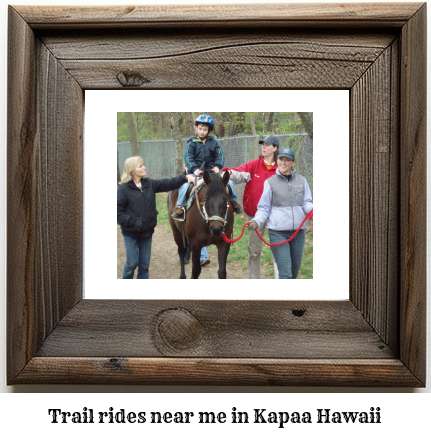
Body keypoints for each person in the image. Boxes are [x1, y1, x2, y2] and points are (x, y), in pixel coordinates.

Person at [117, 155, 194, 279]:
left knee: (144, 265)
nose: (144, 167)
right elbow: (118, 213)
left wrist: (185, 177)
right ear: (132, 171)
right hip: (130, 233)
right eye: (140, 166)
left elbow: (169, 183)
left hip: (146, 233)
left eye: (143, 165)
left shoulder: (149, 184)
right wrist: (133, 223)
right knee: (131, 264)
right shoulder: (123, 189)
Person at [248, 147, 313, 279]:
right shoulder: (270, 183)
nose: (283, 163)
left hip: (298, 233)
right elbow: (264, 208)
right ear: (277, 160)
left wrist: (312, 209)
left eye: (287, 160)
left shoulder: (302, 181)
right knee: (285, 273)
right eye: (281, 159)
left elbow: (306, 202)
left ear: (293, 163)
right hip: (278, 233)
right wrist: (256, 221)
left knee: (294, 273)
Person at [223, 135, 280, 279]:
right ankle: (254, 282)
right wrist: (229, 173)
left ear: (275, 148)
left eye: (267, 145)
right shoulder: (254, 165)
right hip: (255, 215)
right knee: (254, 250)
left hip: (277, 216)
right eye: (263, 144)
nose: (264, 147)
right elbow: (239, 173)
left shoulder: (281, 167)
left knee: (279, 250)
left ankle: (282, 281)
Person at [171, 114, 242, 221]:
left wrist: (218, 166)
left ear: (209, 130)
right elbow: (188, 157)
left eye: (205, 129)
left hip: (211, 173)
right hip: (196, 173)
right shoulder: (192, 143)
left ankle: (234, 202)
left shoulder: (214, 143)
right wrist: (194, 169)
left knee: (230, 183)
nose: (202, 131)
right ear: (196, 128)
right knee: (185, 186)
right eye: (200, 129)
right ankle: (180, 207)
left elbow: (220, 155)